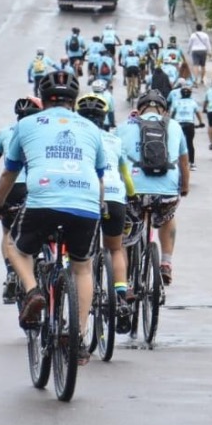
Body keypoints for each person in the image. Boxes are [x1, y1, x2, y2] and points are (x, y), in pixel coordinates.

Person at [0, 70, 106, 366]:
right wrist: (99, 209)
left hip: (43, 199)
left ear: (44, 98)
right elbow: (99, 178)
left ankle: (33, 290)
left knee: (14, 245)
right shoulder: (92, 129)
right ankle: (77, 338)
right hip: (86, 202)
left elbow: (9, 172)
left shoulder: (26, 124)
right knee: (82, 268)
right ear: (73, 100)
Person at [75, 93, 138, 328]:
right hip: (115, 197)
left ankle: (80, 297)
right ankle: (120, 295)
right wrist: (131, 196)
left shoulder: (78, 138)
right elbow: (126, 177)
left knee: (82, 258)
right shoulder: (114, 141)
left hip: (86, 197)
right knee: (115, 248)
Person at [0, 96, 43, 303]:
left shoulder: (6, 133)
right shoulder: (43, 132)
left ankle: (12, 271)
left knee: (8, 232)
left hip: (12, 189)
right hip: (38, 187)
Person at [119, 90, 189, 287]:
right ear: (164, 111)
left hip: (133, 193)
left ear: (139, 110)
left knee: (123, 235)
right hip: (165, 194)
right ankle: (166, 262)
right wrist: (183, 188)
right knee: (168, 216)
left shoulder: (124, 127)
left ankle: (123, 286)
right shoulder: (174, 126)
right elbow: (184, 162)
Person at [170, 84, 203, 171]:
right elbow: (198, 113)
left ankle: (173, 160)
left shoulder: (176, 102)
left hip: (179, 124)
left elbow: (172, 114)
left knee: (176, 143)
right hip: (189, 124)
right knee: (190, 143)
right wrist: (201, 122)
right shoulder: (193, 102)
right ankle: (192, 163)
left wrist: (170, 122)